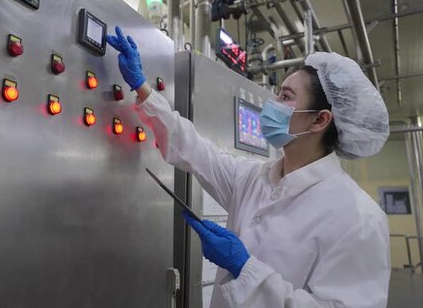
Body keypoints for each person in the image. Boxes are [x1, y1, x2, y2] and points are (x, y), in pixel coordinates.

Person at [107, 27, 391, 308]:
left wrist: (245, 269)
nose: (272, 104)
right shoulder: (255, 178)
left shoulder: (359, 218)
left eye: (286, 97)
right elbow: (193, 148)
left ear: (319, 120)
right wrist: (142, 87)